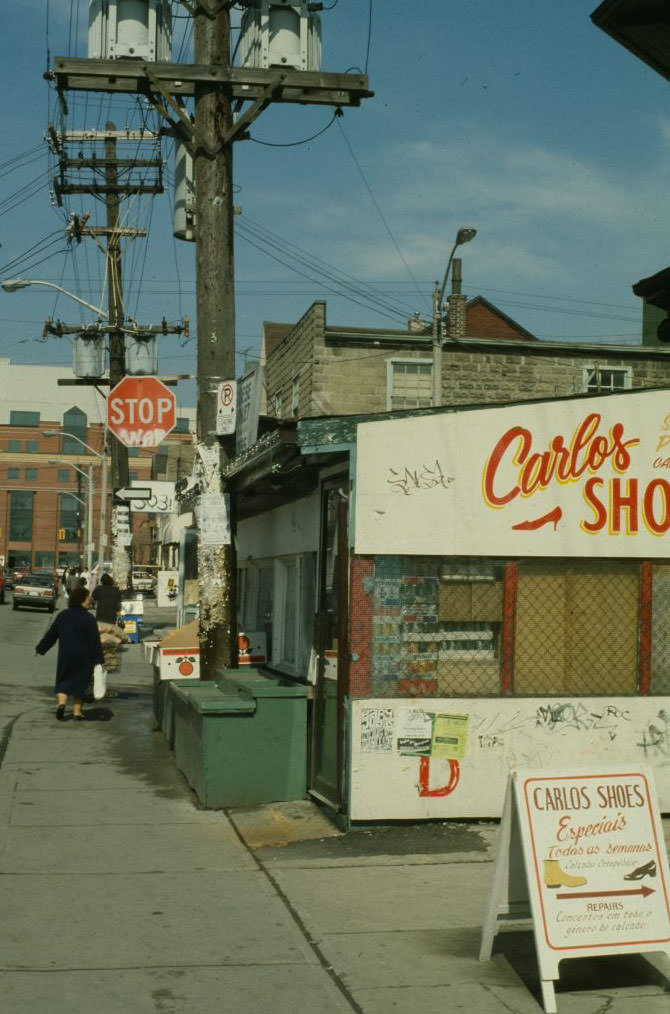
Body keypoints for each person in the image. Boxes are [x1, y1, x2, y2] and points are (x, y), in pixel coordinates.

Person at [35, 585, 104, 721]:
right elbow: (94, 641)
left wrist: (40, 648)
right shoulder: (89, 618)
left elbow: (52, 635)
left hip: (66, 654)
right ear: (81, 600)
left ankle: (62, 705)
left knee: (63, 680)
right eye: (87, 598)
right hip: (84, 656)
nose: (89, 600)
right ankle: (77, 713)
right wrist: (99, 660)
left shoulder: (63, 615)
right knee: (80, 682)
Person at [91, 572, 125, 672]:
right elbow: (119, 602)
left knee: (100, 633)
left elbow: (94, 597)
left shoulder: (99, 589)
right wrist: (119, 614)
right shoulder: (115, 590)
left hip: (101, 614)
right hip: (111, 615)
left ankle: (100, 651)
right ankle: (109, 655)